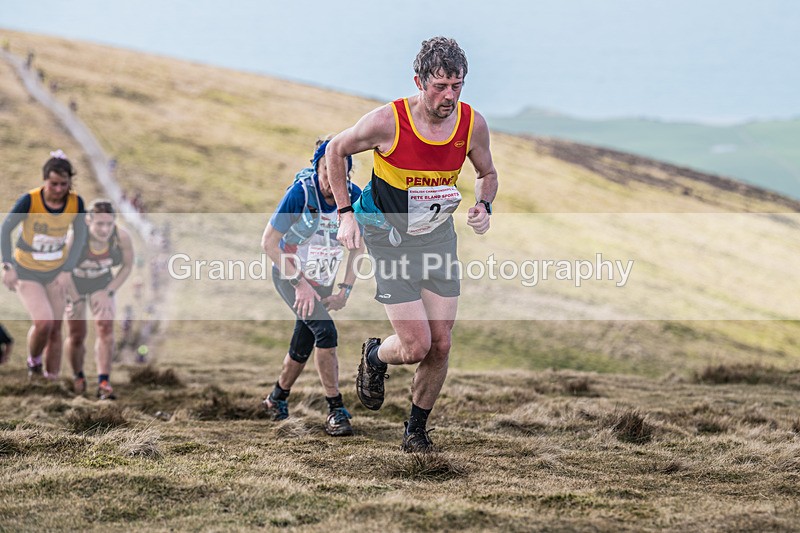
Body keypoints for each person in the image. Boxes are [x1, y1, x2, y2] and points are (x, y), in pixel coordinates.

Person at [326, 37, 498, 452]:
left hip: (437, 238)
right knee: (416, 345)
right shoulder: (388, 121)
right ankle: (375, 356)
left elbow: (487, 173)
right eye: (440, 86)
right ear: (419, 81)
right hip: (388, 238)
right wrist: (345, 213)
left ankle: (416, 430)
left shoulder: (471, 124)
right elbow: (335, 149)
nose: (449, 96)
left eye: (457, 85)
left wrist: (484, 205)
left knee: (441, 342)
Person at [260, 138, 364, 437]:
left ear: (347, 172)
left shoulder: (354, 197)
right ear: (317, 168)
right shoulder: (300, 194)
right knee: (326, 332)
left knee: (303, 343)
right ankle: (336, 409)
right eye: (326, 170)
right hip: (290, 276)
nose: (332, 179)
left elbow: (359, 247)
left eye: (339, 171)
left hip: (323, 280)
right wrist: (300, 284)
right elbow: (268, 243)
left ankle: (276, 399)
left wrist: (345, 289)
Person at [1, 150, 87, 380]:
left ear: (70, 182)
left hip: (56, 272)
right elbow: (5, 230)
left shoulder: (76, 203)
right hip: (26, 271)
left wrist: (67, 270)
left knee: (56, 330)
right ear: (45, 181)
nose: (58, 189)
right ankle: (34, 363)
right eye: (53, 184)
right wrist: (7, 266)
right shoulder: (30, 200)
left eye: (63, 184)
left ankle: (52, 380)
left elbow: (80, 236)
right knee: (44, 322)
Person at [65, 200, 134, 399]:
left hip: (101, 282)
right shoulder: (75, 237)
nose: (104, 230)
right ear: (89, 221)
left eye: (109, 224)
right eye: (99, 224)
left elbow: (127, 266)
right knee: (77, 334)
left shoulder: (121, 237)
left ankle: (104, 382)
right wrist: (76, 300)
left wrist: (109, 291)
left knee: (105, 326)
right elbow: (63, 271)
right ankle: (78, 376)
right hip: (74, 283)